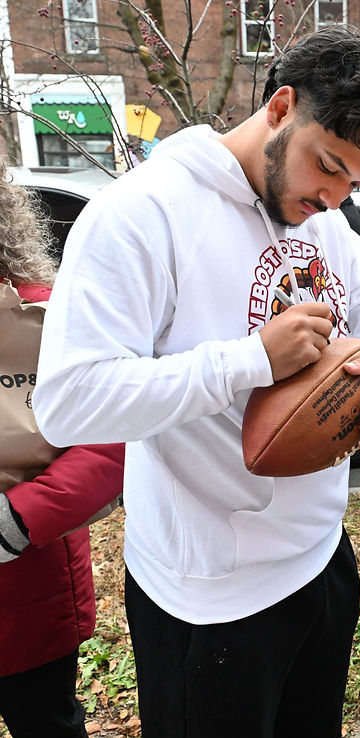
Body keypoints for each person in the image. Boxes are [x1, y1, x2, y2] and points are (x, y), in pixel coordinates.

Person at [34, 24, 360, 738]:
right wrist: (248, 361)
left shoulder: (322, 217)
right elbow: (68, 402)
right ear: (280, 107)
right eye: (328, 165)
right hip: (208, 601)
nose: (336, 197)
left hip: (320, 563)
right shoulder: (139, 214)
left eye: (354, 182)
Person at [0, 160, 125, 738]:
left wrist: (18, 518)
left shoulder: (43, 313)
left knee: (45, 722)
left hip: (27, 585)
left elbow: (109, 435)